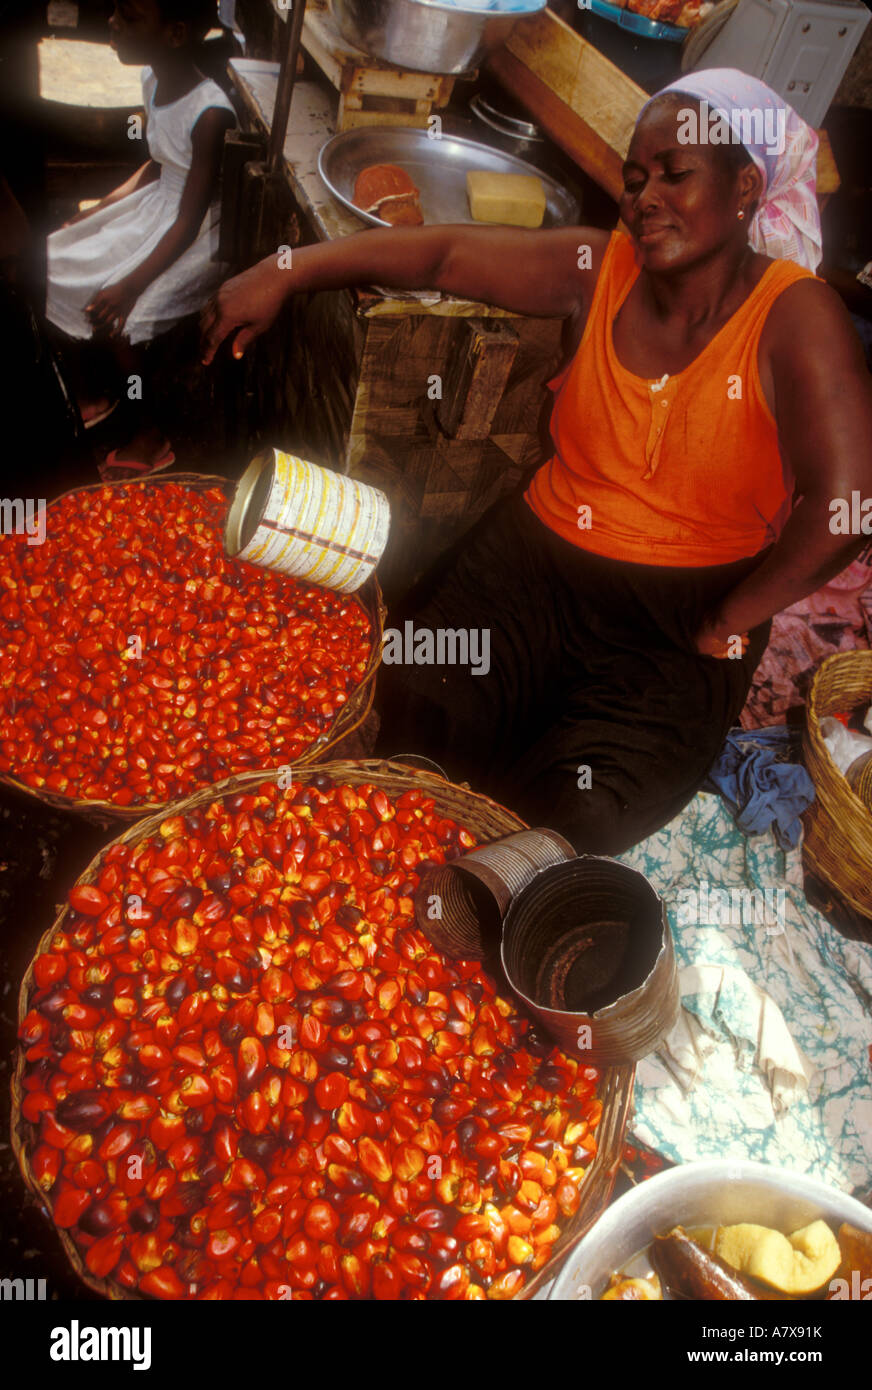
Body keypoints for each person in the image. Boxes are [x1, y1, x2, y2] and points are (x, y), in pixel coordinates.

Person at [201, 70, 872, 855]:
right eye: (635, 178)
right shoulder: (603, 268)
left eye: (676, 173)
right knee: (403, 710)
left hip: (683, 617)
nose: (645, 196)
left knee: (573, 821)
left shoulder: (794, 313)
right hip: (534, 565)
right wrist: (284, 270)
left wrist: (729, 619)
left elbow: (849, 503)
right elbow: (447, 254)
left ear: (746, 186)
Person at [45, 0, 235, 477]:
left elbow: (189, 221)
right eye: (114, 12)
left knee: (127, 316)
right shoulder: (152, 78)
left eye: (129, 17)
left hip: (194, 231)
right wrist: (102, 210)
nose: (112, 24)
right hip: (159, 203)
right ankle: (103, 391)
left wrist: (130, 285)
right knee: (57, 256)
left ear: (174, 33)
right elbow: (158, 163)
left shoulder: (210, 113)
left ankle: (151, 429)